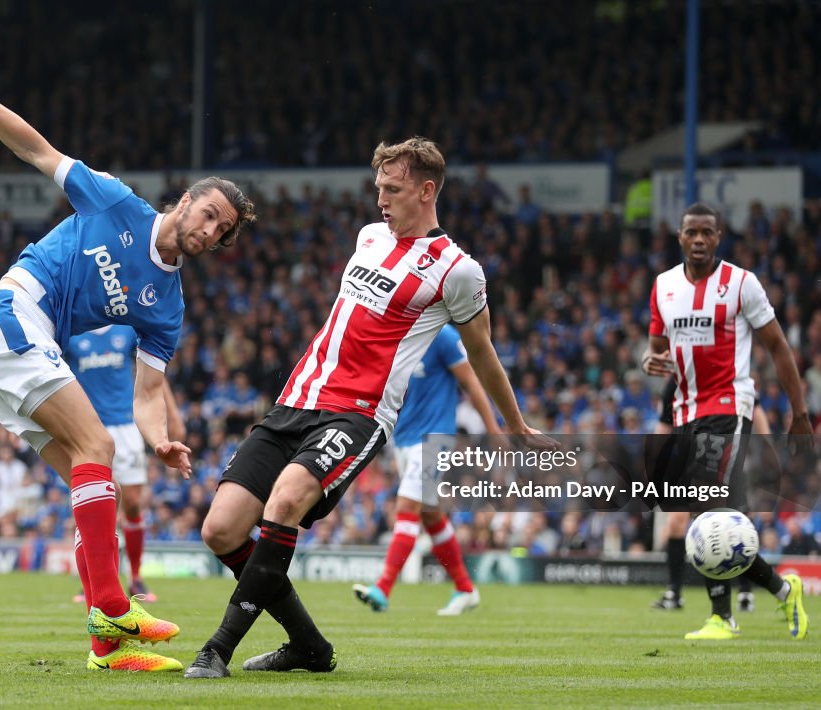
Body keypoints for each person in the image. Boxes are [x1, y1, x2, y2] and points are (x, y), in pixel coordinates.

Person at [0, 40, 255, 672]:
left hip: (19, 341)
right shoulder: (114, 201)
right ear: (185, 200)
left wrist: (159, 441)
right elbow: (34, 147)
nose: (211, 231)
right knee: (98, 450)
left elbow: (150, 391)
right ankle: (112, 602)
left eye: (223, 232)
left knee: (88, 480)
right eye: (209, 214)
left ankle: (106, 647)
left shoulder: (168, 304)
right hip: (10, 314)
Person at [185, 137, 553, 679]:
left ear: (426, 191)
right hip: (296, 400)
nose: (380, 198)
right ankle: (308, 645)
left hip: (356, 413)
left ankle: (216, 650)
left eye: (393, 188)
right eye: (378, 186)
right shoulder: (370, 237)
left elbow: (482, 353)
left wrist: (514, 424)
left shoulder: (457, 270)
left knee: (284, 503)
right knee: (220, 531)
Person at [641, 202, 812, 641]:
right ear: (679, 236)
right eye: (691, 232)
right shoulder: (663, 286)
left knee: (706, 503)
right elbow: (658, 346)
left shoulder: (741, 284)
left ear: (718, 237)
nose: (699, 240)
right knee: (713, 513)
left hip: (729, 405)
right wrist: (651, 361)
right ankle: (781, 588)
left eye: (707, 233)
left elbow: (777, 348)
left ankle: (722, 617)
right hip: (684, 410)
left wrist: (800, 412)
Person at [352, 323, 502, 615]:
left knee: (406, 506)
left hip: (435, 439)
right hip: (404, 439)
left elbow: (471, 382)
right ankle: (465, 589)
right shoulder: (395, 335)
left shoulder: (443, 336)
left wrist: (493, 428)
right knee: (430, 514)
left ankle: (382, 588)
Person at [63, 325, 186, 602]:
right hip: (89, 427)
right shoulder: (71, 334)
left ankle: (136, 577)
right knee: (92, 506)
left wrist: (173, 414)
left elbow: (152, 372)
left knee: (131, 504)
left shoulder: (126, 330)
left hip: (126, 425)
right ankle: (93, 581)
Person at [650, 379, 771, 613]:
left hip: (723, 458)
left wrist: (767, 446)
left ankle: (745, 590)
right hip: (686, 463)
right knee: (676, 522)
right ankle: (674, 592)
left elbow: (754, 408)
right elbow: (663, 427)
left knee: (733, 524)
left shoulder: (723, 373)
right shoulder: (672, 386)